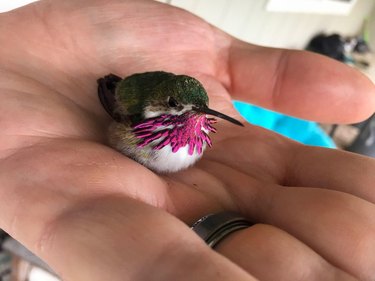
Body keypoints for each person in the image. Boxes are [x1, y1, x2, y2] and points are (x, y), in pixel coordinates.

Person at [0, 0, 374, 280]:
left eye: (202, 110)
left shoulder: (197, 125)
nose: (201, 118)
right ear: (161, 103)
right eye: (179, 107)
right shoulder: (134, 115)